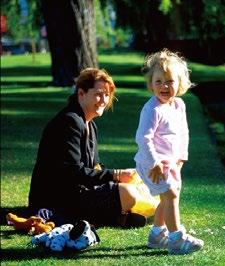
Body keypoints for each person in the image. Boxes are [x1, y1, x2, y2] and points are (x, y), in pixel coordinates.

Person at [28, 68, 145, 228]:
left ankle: (113, 216)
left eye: (107, 94)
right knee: (127, 193)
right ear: (81, 94)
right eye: (98, 93)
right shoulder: (70, 121)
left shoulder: (90, 124)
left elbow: (93, 168)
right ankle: (110, 217)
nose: (104, 100)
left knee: (137, 188)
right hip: (56, 199)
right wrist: (115, 175)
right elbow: (73, 171)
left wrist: (122, 175)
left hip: (76, 192)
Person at [134, 49, 204, 255]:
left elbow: (183, 132)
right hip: (152, 162)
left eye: (170, 81)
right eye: (158, 81)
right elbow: (143, 138)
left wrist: (181, 157)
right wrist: (154, 162)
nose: (164, 86)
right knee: (170, 195)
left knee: (170, 197)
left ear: (180, 83)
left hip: (171, 162)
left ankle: (157, 235)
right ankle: (176, 238)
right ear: (151, 83)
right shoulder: (152, 109)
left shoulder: (179, 105)